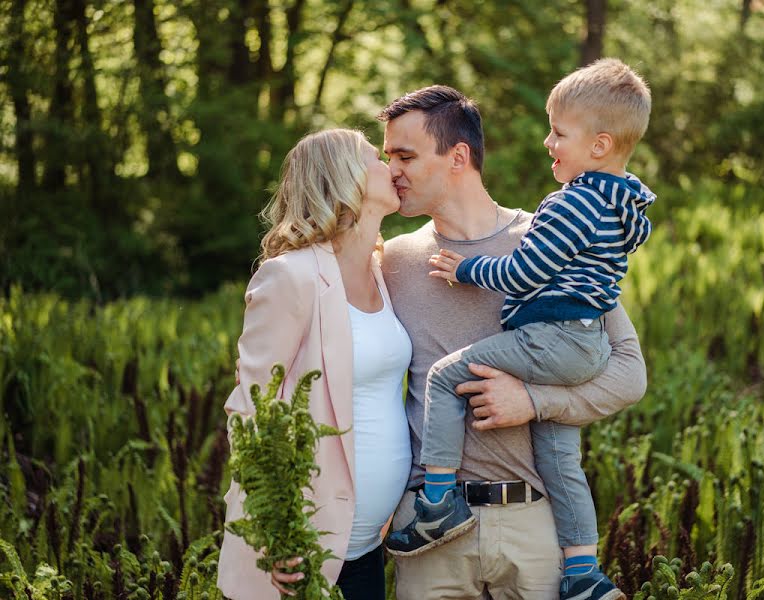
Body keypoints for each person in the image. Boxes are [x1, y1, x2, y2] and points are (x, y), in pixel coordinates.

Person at [386, 59, 654, 600]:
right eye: (387, 156)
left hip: (532, 525)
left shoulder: (553, 240)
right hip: (429, 535)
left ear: (458, 156)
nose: (391, 169)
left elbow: (628, 374)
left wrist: (533, 401)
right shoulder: (389, 262)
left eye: (405, 156)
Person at [217, 129, 412, 600]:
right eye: (377, 158)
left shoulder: (384, 272)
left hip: (367, 549)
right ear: (346, 178)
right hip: (302, 554)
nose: (393, 167)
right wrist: (275, 533)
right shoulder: (291, 275)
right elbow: (251, 411)